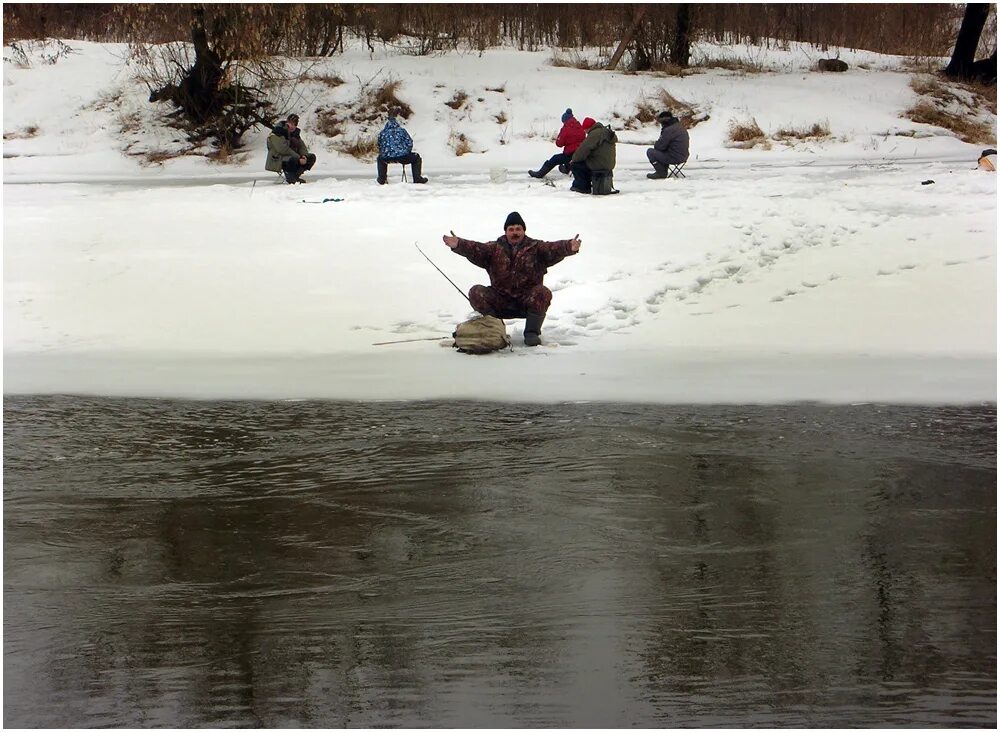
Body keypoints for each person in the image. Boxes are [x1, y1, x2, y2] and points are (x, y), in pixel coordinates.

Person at [442, 211, 581, 347]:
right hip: (500, 301)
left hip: (526, 302)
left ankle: (531, 333)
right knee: (476, 292)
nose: (515, 232)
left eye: (518, 229)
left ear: (524, 231)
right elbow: (475, 249)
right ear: (506, 231)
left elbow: (554, 248)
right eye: (511, 229)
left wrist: (570, 246)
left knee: (542, 292)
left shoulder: (536, 248)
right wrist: (458, 244)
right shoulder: (494, 248)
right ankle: (495, 330)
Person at [529, 108, 585, 178]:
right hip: (580, 153)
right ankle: (567, 169)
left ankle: (540, 174)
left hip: (571, 155)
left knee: (555, 158)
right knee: (567, 153)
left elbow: (559, 144)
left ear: (565, 120)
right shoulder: (580, 126)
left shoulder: (565, 129)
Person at [569, 117, 618, 194]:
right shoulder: (606, 131)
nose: (585, 132)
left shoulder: (595, 134)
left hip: (599, 164)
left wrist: (574, 159)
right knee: (586, 162)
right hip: (609, 164)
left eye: (585, 129)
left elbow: (583, 150)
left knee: (576, 165)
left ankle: (582, 187)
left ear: (588, 128)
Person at [377, 114, 428, 184]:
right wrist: (407, 151)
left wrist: (385, 153)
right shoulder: (402, 131)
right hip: (403, 157)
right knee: (416, 157)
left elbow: (379, 145)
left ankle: (382, 179)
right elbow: (409, 142)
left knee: (380, 159)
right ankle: (417, 178)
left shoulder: (382, 133)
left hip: (386, 157)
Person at [265, 113, 316, 184]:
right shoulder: (278, 131)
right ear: (287, 122)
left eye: (294, 125)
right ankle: (291, 178)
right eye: (291, 123)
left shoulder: (295, 134)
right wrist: (299, 158)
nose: (292, 126)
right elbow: (282, 149)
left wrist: (304, 156)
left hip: (291, 157)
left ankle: (295, 176)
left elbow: (301, 146)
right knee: (293, 159)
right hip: (277, 158)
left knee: (311, 157)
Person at [646, 109, 689, 179]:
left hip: (675, 157)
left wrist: (657, 143)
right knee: (663, 151)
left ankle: (661, 173)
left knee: (650, 152)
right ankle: (663, 171)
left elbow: (660, 146)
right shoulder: (679, 126)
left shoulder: (669, 130)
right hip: (684, 156)